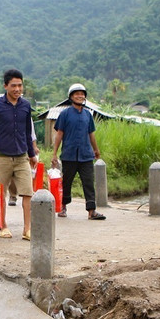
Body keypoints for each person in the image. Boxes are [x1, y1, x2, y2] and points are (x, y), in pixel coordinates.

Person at [0, 69, 37, 240]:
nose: (17, 89)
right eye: (13, 85)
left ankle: (27, 229)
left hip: (22, 157)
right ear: (5, 86)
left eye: (20, 85)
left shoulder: (26, 106)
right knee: (1, 193)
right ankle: (3, 226)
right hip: (2, 157)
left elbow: (27, 132)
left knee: (27, 193)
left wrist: (32, 153)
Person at [51, 83, 106, 220]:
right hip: (69, 154)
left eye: (82, 94)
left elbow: (91, 134)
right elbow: (59, 134)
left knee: (88, 182)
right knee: (67, 182)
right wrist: (54, 154)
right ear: (71, 96)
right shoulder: (64, 114)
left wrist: (96, 149)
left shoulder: (88, 115)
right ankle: (63, 207)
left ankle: (91, 211)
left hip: (86, 154)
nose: (80, 96)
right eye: (77, 94)